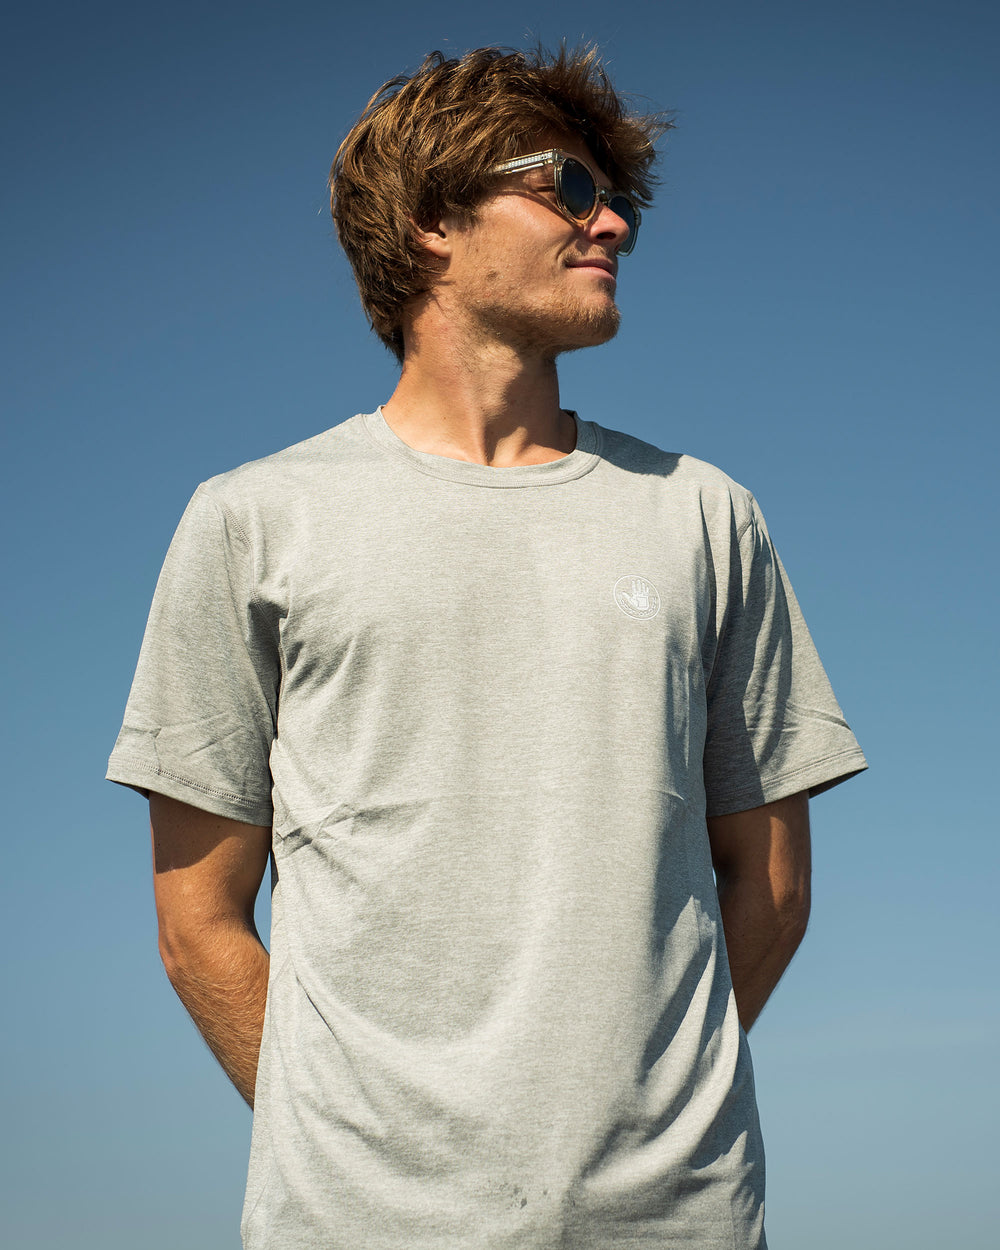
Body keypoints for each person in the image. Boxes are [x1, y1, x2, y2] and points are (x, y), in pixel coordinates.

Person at [107, 45, 866, 1250]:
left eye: (616, 199)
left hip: (676, 1221)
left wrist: (642, 1123)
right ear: (430, 222)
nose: (612, 222)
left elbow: (769, 884)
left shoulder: (704, 515)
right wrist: (349, 1154)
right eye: (569, 186)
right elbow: (197, 916)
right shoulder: (252, 520)